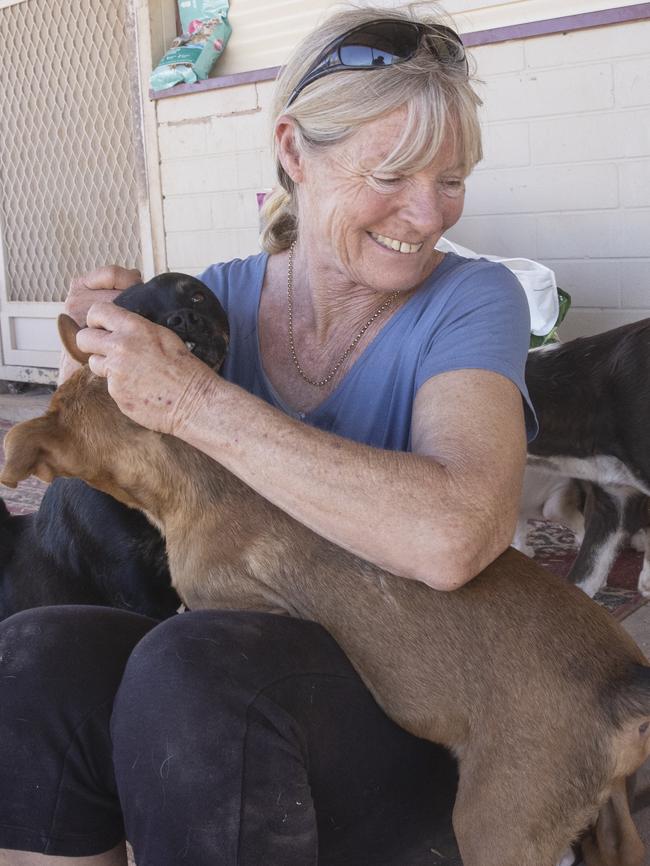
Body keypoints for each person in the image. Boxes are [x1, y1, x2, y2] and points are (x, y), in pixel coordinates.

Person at [0, 6, 536, 865]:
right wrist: (98, 356)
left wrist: (193, 401)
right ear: (293, 151)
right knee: (36, 655)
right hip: (223, 691)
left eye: (453, 178)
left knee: (193, 671)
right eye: (393, 173)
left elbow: (456, 534)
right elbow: (117, 486)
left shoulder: (474, 301)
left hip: (413, 707)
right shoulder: (215, 305)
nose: (429, 213)